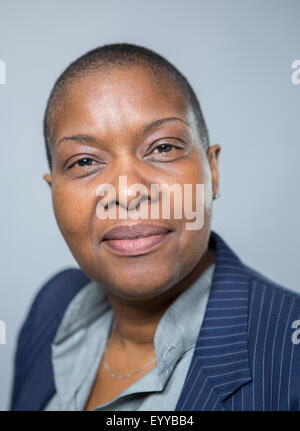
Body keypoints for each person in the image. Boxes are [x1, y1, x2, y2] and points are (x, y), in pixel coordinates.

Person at [10, 43, 300, 411]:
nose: (128, 191)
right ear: (54, 192)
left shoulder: (290, 357)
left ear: (212, 171)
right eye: (84, 161)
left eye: (162, 148)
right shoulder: (54, 304)